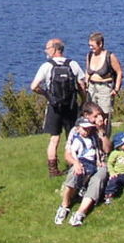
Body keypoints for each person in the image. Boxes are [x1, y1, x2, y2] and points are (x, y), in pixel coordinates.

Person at [32, 38, 88, 176]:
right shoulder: (73, 64)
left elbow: (34, 87)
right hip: (71, 106)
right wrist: (84, 102)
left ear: (55, 49)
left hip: (54, 106)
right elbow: (82, 86)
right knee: (72, 136)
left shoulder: (46, 66)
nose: (46, 51)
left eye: (48, 48)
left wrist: (47, 95)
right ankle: (73, 165)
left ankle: (53, 170)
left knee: (54, 138)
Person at [53, 101, 110, 227]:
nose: (98, 119)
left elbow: (107, 149)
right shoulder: (77, 130)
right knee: (74, 172)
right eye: (95, 116)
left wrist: (102, 131)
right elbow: (68, 154)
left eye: (99, 115)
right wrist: (76, 163)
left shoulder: (98, 128)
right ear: (86, 115)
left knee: (99, 177)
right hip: (82, 161)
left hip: (98, 162)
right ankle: (64, 205)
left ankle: (80, 212)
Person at [85, 32, 124, 122]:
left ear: (100, 44)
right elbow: (87, 70)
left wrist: (116, 89)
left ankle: (105, 134)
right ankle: (94, 134)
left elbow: (119, 72)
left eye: (93, 46)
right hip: (92, 88)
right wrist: (86, 81)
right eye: (89, 45)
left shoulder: (110, 56)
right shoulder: (89, 55)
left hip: (105, 88)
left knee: (104, 115)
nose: (91, 48)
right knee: (92, 114)